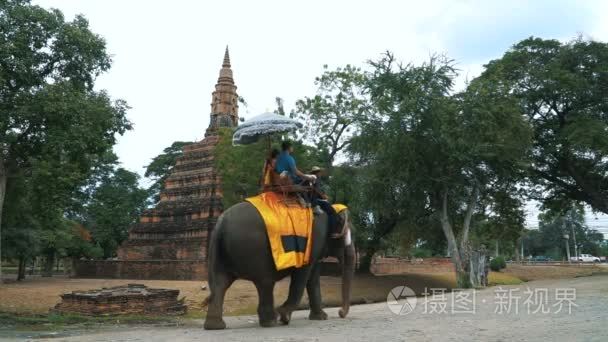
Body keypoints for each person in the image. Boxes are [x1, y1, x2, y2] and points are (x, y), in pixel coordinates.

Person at [309, 166, 339, 234]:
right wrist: (323, 195)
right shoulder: (315, 178)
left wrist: (322, 195)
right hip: (315, 200)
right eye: (320, 172)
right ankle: (332, 231)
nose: (320, 173)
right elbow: (315, 189)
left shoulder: (312, 178)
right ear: (317, 172)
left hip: (314, 199)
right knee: (332, 212)